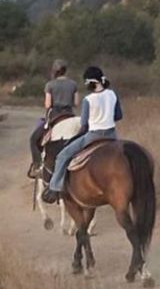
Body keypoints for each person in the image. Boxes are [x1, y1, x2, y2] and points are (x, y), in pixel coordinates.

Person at [41, 67, 121, 203]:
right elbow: (119, 116)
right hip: (112, 135)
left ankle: (54, 188)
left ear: (90, 82)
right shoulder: (112, 94)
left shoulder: (88, 100)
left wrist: (75, 137)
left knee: (62, 156)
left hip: (94, 136)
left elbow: (84, 125)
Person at [27, 59, 78, 178]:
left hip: (55, 116)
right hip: (70, 115)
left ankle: (37, 166)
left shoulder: (50, 85)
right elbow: (76, 103)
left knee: (34, 140)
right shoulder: (73, 84)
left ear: (55, 71)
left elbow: (48, 105)